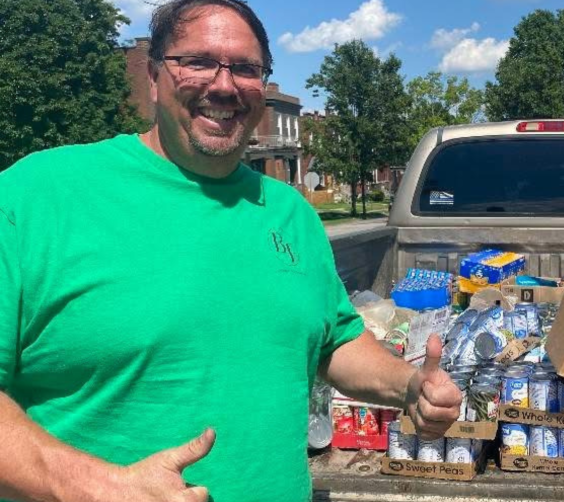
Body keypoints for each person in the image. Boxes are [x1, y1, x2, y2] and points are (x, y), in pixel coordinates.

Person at [0, 1, 461, 501]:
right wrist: (99, 487)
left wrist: (407, 386)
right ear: (153, 76)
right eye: (197, 62)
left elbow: (333, 341)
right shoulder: (38, 195)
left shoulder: (289, 212)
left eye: (245, 68)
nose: (224, 86)